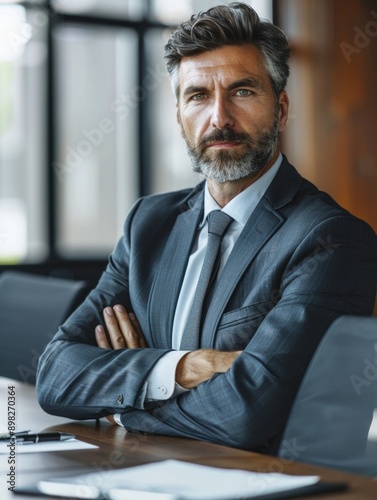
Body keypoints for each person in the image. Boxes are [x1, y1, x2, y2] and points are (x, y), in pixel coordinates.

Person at [36, 2, 377, 454]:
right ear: (178, 115)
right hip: (147, 476)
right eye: (198, 96)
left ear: (281, 108)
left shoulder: (330, 238)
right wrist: (180, 368)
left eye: (242, 92)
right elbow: (55, 375)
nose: (219, 118)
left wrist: (120, 405)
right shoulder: (148, 224)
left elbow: (245, 413)